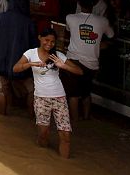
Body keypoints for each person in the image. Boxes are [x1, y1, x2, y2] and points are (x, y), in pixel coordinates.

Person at [13, 28, 83, 158]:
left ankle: (63, 166)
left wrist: (63, 66)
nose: (49, 44)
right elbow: (15, 68)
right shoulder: (30, 53)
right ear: (40, 38)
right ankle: (44, 161)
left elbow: (79, 71)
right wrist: (30, 64)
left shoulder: (58, 55)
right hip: (41, 99)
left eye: (52, 42)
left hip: (60, 99)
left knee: (66, 136)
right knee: (43, 135)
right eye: (46, 40)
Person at [63, 0, 114, 122]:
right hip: (92, 65)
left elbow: (69, 32)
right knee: (86, 93)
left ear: (79, 3)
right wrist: (100, 43)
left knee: (73, 95)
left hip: (73, 62)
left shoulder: (70, 18)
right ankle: (86, 118)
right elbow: (111, 35)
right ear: (94, 4)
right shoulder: (103, 21)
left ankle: (75, 122)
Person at [0, 0, 37, 116]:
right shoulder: (29, 23)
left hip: (1, 63)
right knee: (32, 91)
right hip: (21, 66)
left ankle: (1, 120)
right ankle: (32, 119)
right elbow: (34, 47)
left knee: (3, 90)